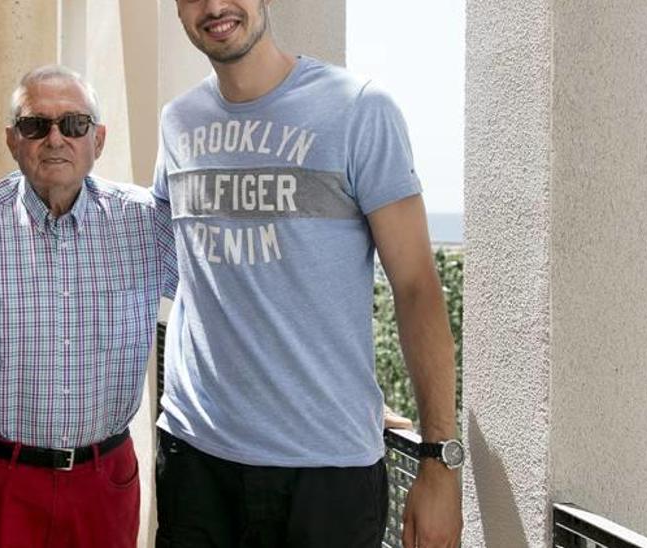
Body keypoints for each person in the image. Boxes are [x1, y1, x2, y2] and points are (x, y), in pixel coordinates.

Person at [153, 1, 464, 547]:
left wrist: (439, 457)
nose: (214, 6)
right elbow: (178, 263)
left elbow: (416, 287)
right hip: (195, 460)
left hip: (326, 475)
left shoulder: (359, 110)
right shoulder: (178, 122)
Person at [0, 65, 176, 548]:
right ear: (12, 140)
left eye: (74, 124)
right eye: (36, 125)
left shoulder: (146, 224)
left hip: (104, 482)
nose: (55, 139)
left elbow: (225, 293)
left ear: (98, 140)